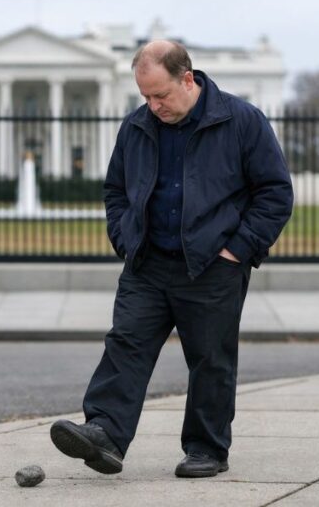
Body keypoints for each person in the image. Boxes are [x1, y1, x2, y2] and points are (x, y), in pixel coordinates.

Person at [49, 41, 293, 478]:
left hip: (212, 265)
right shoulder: (136, 127)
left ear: (187, 78)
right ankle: (104, 433)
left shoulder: (242, 121)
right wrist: (126, 239)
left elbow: (275, 193)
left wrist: (236, 250)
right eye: (145, 96)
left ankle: (206, 449)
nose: (153, 105)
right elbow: (116, 192)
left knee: (210, 359)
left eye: (160, 95)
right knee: (125, 343)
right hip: (147, 263)